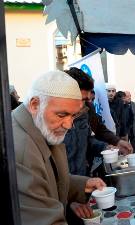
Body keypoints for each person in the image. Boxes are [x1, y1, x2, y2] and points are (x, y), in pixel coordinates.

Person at [12, 70, 106, 225]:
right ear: (35, 105)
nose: (69, 125)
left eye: (74, 116)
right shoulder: (20, 150)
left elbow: (48, 179)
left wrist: (82, 184)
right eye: (62, 115)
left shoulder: (40, 125)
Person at [63, 67, 132, 176]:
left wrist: (109, 146)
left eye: (88, 99)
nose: (87, 103)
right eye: (82, 99)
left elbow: (89, 138)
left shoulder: (86, 108)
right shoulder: (51, 121)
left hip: (81, 174)